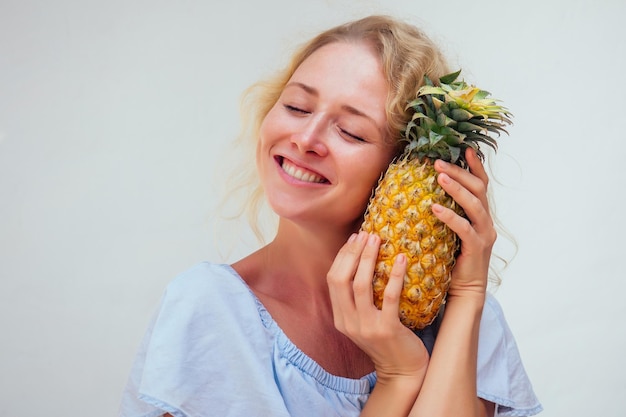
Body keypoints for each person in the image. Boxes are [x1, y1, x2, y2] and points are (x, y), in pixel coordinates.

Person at [119, 15, 542, 417]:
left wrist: (467, 294)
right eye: (298, 107)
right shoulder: (212, 311)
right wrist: (399, 378)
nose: (305, 139)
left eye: (351, 132)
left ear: (405, 169)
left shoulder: (468, 322)